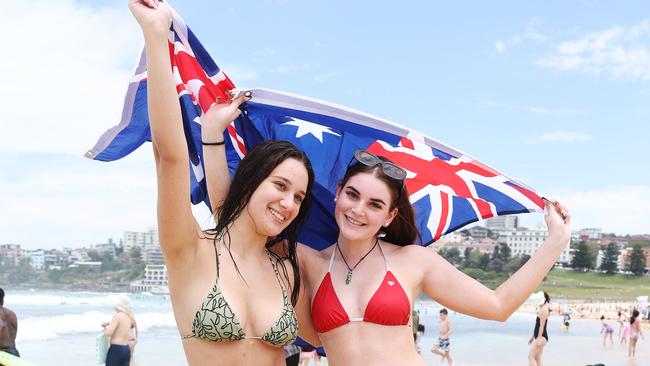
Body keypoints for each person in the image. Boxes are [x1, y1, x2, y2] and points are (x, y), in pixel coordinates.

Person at [204, 114, 571, 366]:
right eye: (352, 195)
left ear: (390, 216)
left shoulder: (413, 261)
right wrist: (212, 135)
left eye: (375, 204)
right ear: (337, 195)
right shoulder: (310, 263)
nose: (358, 210)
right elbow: (233, 222)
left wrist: (555, 243)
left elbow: (498, 305)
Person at [127, 1, 317, 365]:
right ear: (250, 182)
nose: (289, 202)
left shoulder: (285, 269)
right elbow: (171, 157)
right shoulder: (190, 248)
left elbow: (333, 335)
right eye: (280, 186)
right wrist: (155, 33)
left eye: (298, 196)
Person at [101, 296, 138, 366]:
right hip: (126, 349)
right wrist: (110, 324)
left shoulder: (117, 316)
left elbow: (108, 333)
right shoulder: (129, 317)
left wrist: (105, 329)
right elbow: (121, 329)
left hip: (116, 349)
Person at [528, 292, 550, 366]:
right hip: (540, 336)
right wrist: (532, 337)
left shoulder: (544, 310)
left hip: (542, 337)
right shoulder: (543, 307)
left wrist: (539, 339)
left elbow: (541, 326)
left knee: (531, 357)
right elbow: (537, 326)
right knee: (537, 358)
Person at [0, 288, 19, 358]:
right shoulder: (12, 314)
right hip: (14, 352)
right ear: (2, 299)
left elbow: (1, 327)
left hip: (3, 356)